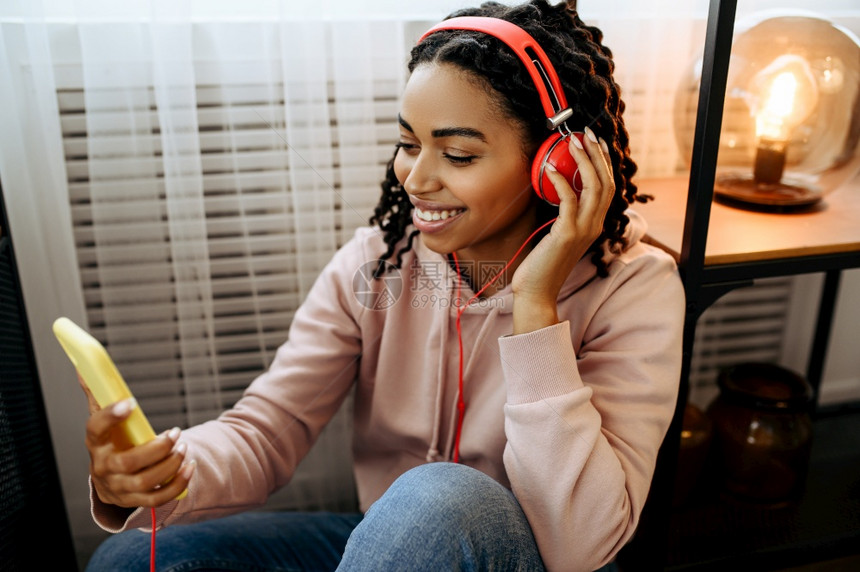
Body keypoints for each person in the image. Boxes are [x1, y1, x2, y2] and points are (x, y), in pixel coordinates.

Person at [83, 1, 684, 571]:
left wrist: (535, 308)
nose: (415, 179)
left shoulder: (636, 289)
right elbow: (268, 431)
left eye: (457, 154)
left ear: (555, 166)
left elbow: (581, 544)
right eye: (407, 144)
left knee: (438, 499)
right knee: (129, 558)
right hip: (393, 544)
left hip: (534, 558)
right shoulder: (376, 263)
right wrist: (161, 473)